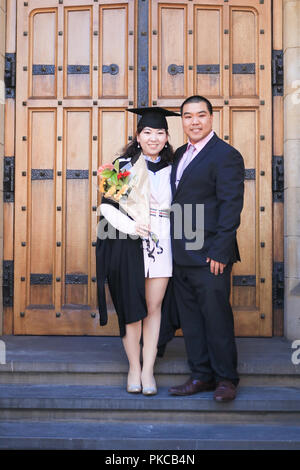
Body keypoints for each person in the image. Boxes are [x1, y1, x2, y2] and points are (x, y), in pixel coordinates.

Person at [96, 107, 179, 396]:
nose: (153, 138)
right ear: (138, 136)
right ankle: (133, 366)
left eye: (159, 133)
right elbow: (106, 207)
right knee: (132, 309)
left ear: (167, 137)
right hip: (130, 243)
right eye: (148, 132)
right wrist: (130, 227)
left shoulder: (176, 167)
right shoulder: (123, 166)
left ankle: (148, 370)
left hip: (163, 242)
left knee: (153, 308)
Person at [168, 95, 245, 402]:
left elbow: (230, 207)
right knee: (191, 319)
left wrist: (220, 251)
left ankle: (226, 379)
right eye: (188, 116)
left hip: (210, 254)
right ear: (182, 121)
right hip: (181, 253)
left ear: (212, 118)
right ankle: (201, 375)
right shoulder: (179, 155)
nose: (195, 121)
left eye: (201, 115)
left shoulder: (226, 155)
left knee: (216, 317)